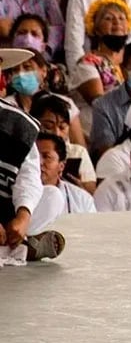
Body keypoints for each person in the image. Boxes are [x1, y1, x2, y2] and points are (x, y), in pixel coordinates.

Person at [0, 48, 66, 262]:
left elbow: (29, 176)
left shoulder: (20, 123)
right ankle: (26, 250)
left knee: (52, 197)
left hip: (6, 212)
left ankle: (17, 243)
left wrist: (23, 216)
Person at [3, 53, 87, 147]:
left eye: (27, 67)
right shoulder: (6, 107)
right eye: (15, 70)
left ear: (43, 71)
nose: (21, 74)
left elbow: (80, 147)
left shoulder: (65, 103)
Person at [69, 0, 128, 117]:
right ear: (96, 30)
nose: (117, 22)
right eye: (108, 18)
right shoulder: (88, 63)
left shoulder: (129, 63)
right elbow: (101, 105)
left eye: (122, 18)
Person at [31, 95, 97, 194]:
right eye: (48, 126)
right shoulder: (26, 150)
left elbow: (92, 191)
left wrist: (79, 188)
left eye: (62, 127)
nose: (57, 133)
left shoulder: (77, 152)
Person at [36, 132, 95, 214]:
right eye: (34, 156)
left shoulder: (82, 200)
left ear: (61, 166)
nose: (39, 162)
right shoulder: (15, 193)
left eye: (46, 157)